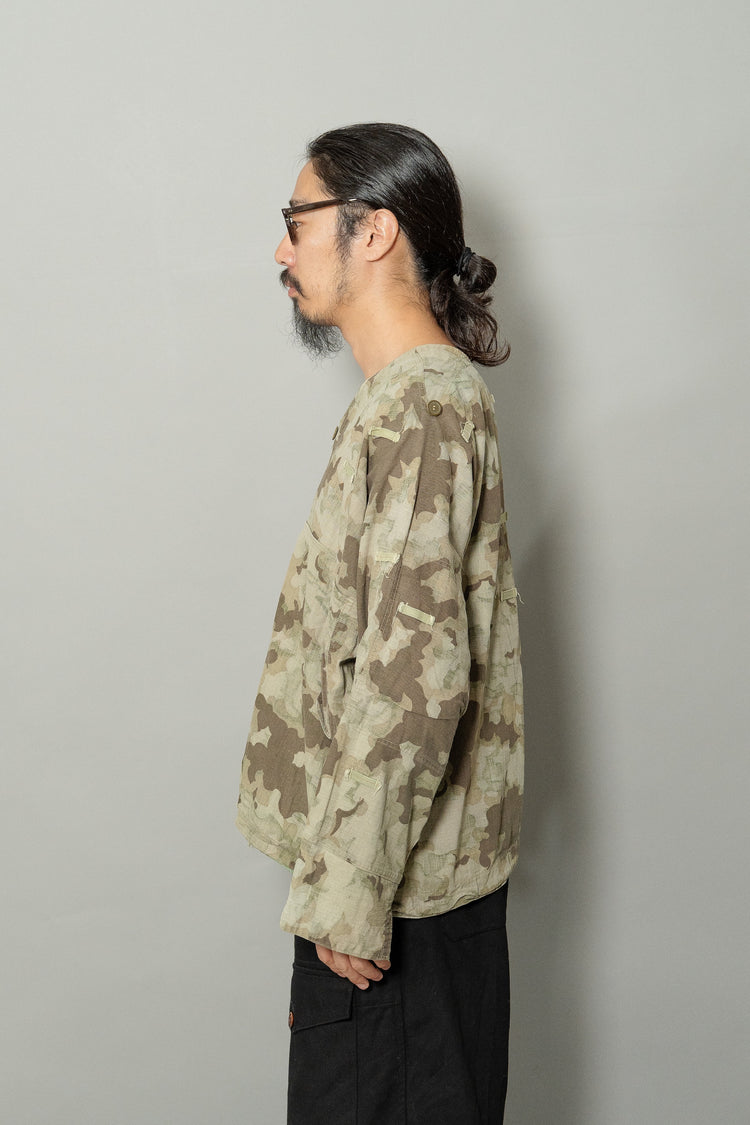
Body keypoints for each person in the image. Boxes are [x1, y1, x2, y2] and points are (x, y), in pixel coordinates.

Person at [236, 123, 524, 1125]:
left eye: (298, 220)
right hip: (386, 885)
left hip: (393, 907)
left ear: (374, 231)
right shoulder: (408, 402)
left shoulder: (424, 408)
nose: (281, 248)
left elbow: (413, 674)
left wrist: (349, 895)